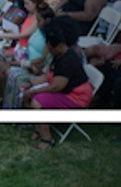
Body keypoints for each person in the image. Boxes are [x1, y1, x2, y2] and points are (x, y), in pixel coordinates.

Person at [24, 20, 95, 149]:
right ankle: (39, 128)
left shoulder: (68, 60)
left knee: (37, 102)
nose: (49, 50)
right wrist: (31, 84)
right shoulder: (59, 55)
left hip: (76, 97)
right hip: (65, 91)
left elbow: (56, 86)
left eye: (51, 48)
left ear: (60, 45)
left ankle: (47, 140)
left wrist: (34, 91)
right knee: (27, 95)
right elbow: (48, 75)